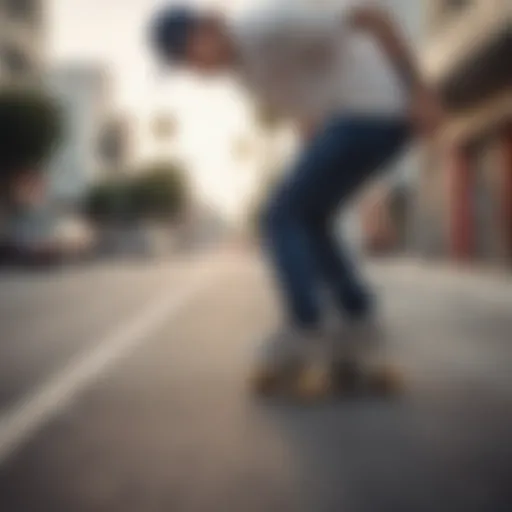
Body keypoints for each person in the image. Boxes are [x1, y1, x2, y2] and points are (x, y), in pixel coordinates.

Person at [148, 1, 444, 378]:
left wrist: (419, 90)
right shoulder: (244, 73)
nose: (193, 72)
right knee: (311, 217)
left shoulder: (268, 25)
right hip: (358, 119)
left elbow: (374, 17)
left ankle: (306, 328)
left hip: (375, 109)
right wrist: (310, 142)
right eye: (183, 67)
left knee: (280, 215)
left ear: (206, 28)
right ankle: (359, 320)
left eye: (186, 57)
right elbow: (305, 104)